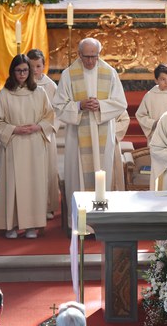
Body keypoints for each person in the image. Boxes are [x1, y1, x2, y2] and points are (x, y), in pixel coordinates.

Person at [52, 38, 127, 225]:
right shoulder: (69, 75)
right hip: (77, 136)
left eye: (94, 56)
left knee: (103, 173)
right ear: (79, 54)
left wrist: (100, 105)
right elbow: (58, 105)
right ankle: (79, 223)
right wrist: (79, 105)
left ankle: (102, 221)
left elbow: (120, 103)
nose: (91, 61)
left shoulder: (109, 73)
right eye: (87, 57)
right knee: (78, 177)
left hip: (103, 131)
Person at [0, 54, 54, 239]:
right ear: (12, 71)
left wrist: (38, 127)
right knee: (13, 184)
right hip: (14, 144)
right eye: (19, 70)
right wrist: (15, 129)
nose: (22, 74)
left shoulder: (39, 93)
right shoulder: (5, 93)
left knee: (33, 185)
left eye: (26, 70)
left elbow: (50, 116)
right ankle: (11, 225)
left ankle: (31, 226)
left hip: (34, 144)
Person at [27, 49, 60, 220]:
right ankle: (29, 204)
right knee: (30, 170)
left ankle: (48, 205)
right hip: (27, 134)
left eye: (38, 66)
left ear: (44, 66)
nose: (34, 70)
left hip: (46, 134)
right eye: (31, 66)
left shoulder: (51, 86)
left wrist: (43, 127)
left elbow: (57, 112)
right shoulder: (21, 85)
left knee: (47, 170)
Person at [135, 63, 167, 143]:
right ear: (156, 80)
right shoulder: (150, 95)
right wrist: (153, 123)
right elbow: (140, 115)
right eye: (163, 79)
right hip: (156, 134)